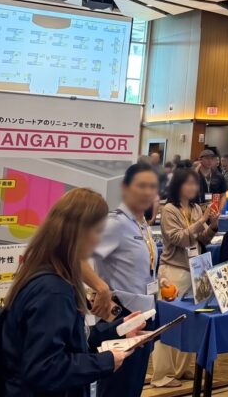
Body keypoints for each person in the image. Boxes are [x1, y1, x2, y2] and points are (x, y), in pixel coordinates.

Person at [3, 188, 146, 397]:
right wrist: (105, 362)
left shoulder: (46, 274)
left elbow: (69, 341)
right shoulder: (53, 291)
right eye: (98, 231)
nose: (99, 241)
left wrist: (117, 331)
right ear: (79, 233)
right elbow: (44, 368)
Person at [89, 162, 160, 397]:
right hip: (122, 316)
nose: (147, 192)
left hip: (145, 314)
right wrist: (100, 288)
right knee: (117, 386)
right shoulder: (115, 223)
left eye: (152, 187)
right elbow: (77, 258)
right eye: (141, 186)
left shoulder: (141, 224)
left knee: (133, 384)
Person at [152, 168, 219, 387]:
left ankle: (181, 369)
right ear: (178, 185)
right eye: (188, 183)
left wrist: (213, 225)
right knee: (169, 322)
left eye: (195, 184)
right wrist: (202, 221)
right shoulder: (169, 209)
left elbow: (202, 240)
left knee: (192, 320)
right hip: (174, 270)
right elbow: (178, 238)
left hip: (197, 269)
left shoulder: (196, 208)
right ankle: (163, 375)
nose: (193, 187)